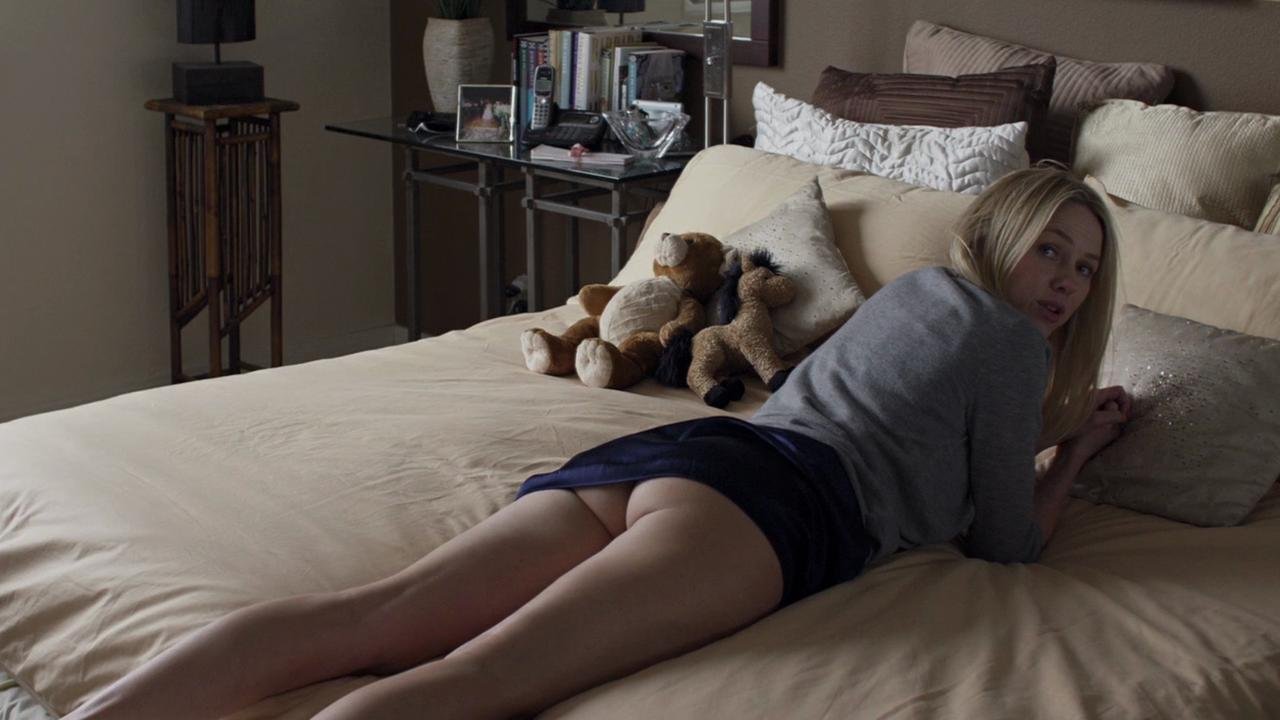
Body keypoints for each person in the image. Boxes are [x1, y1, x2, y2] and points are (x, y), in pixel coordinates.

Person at [65, 166, 1132, 720]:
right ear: (1001, 234)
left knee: (370, 619)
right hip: (769, 510)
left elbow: (839, 400)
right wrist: (1073, 456)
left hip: (677, 456)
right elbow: (1006, 545)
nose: (1065, 282)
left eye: (1084, 269)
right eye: (1051, 249)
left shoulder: (911, 295)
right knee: (480, 681)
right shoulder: (1010, 346)